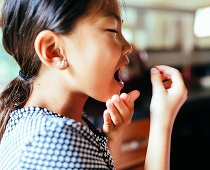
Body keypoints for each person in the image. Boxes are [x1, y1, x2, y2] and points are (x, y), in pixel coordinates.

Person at [0, 0, 188, 169]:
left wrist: (113, 137)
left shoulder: (55, 123)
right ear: (53, 51)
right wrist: (162, 120)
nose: (128, 47)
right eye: (112, 30)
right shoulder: (53, 140)